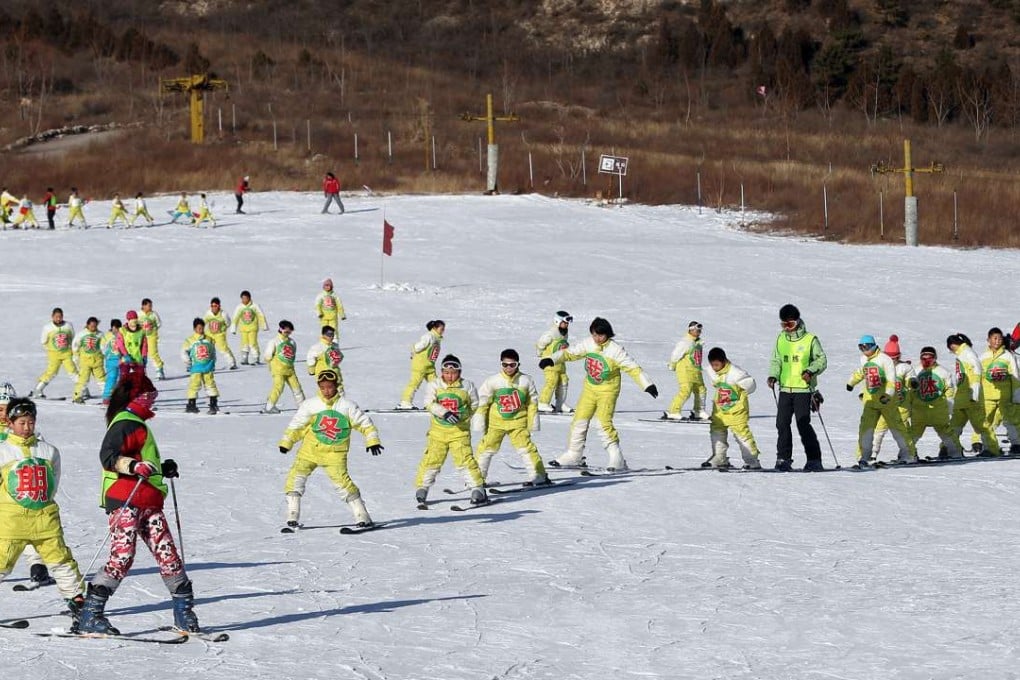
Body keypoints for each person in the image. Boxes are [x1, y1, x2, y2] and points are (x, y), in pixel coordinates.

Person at [77, 365, 199, 635]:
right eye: (148, 395)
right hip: (125, 499)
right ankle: (90, 613)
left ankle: (184, 612)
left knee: (168, 554)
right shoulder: (124, 422)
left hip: (149, 501)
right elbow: (108, 456)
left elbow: (145, 459)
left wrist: (161, 467)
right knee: (123, 556)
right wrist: (133, 467)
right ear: (137, 397)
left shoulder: (138, 422)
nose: (152, 399)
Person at [0, 397, 85, 627]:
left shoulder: (48, 451)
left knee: (63, 563)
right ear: (11, 423)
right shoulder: (3, 452)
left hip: (45, 521)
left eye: (30, 422)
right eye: (21, 423)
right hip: (11, 523)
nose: (27, 427)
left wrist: (42, 506)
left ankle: (79, 606)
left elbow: (52, 484)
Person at [540, 317, 657, 472]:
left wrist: (647, 384)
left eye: (601, 335)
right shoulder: (589, 343)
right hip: (590, 388)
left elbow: (633, 368)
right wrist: (551, 359)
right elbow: (569, 353)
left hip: (608, 391)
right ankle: (574, 454)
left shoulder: (615, 350)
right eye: (595, 335)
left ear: (607, 334)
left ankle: (617, 458)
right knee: (579, 420)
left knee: (603, 423)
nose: (597, 338)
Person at [278, 369, 382, 529]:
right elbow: (297, 425)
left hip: (335, 454)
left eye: (330, 387)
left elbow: (364, 424)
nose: (327, 391)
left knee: (343, 484)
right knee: (295, 478)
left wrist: (372, 440)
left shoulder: (347, 406)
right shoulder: (311, 405)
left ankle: (362, 515)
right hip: (310, 451)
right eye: (323, 387)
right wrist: (287, 442)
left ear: (336, 386)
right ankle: (292, 515)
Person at [414, 355, 487, 506]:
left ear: (459, 372)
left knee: (465, 460)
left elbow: (474, 405)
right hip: (438, 432)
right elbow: (428, 403)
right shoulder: (435, 385)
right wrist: (444, 412)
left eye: (453, 372)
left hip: (459, 433)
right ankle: (423, 487)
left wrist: (462, 415)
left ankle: (477, 488)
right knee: (432, 460)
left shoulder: (467, 386)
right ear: (442, 372)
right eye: (446, 372)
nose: (450, 375)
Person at [0, 384, 53, 587]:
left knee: (30, 524)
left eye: (6, 408)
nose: (3, 414)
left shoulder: (23, 431)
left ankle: (37, 565)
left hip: (18, 490)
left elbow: (40, 453)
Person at [471, 349, 548, 485]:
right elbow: (483, 402)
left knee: (526, 448)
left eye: (512, 365)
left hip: (518, 422)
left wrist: (533, 423)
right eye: (505, 365)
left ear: (518, 365)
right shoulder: (493, 381)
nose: (508, 368)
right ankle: (477, 479)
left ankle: (539, 476)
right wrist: (479, 421)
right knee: (486, 449)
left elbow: (532, 403)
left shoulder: (526, 380)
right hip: (496, 423)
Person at [767, 304, 827, 472]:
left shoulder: (810, 339)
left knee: (803, 424)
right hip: (785, 388)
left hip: (803, 389)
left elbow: (821, 360)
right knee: (781, 424)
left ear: (798, 322)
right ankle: (783, 459)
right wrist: (773, 376)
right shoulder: (781, 339)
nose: (787, 329)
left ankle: (814, 459)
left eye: (790, 325)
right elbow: (776, 360)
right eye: (784, 325)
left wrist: (810, 371)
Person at [847, 335, 917, 466]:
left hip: (887, 402)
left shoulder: (886, 360)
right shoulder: (864, 359)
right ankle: (865, 456)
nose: (864, 350)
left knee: (898, 428)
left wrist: (888, 394)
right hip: (870, 401)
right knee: (866, 429)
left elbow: (891, 380)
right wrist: (851, 382)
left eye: (866, 347)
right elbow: (861, 372)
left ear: (873, 346)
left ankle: (909, 454)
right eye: (861, 347)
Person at [700, 347, 762, 469]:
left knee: (742, 435)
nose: (715, 367)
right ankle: (719, 457)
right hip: (720, 409)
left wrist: (741, 396)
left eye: (717, 364)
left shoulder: (736, 373)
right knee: (716, 431)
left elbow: (751, 385)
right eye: (713, 365)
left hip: (736, 410)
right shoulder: (712, 371)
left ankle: (752, 461)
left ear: (724, 361)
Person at [947, 333, 1000, 457]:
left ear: (952, 345)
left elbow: (977, 370)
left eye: (950, 348)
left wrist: (974, 392)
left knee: (981, 425)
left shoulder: (967, 353)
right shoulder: (961, 354)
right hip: (961, 398)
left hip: (971, 398)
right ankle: (949, 449)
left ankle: (992, 449)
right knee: (954, 426)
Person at [868, 335, 917, 462]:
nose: (892, 361)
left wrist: (912, 382)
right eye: (890, 357)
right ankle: (872, 454)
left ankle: (910, 454)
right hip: (886, 406)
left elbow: (911, 377)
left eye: (895, 358)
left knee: (903, 432)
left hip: (902, 405)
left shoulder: (904, 367)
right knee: (879, 431)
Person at [912, 346, 962, 459]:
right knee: (913, 433)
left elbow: (949, 390)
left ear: (935, 358)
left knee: (945, 432)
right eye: (923, 358)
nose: (926, 361)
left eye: (930, 358)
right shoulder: (915, 372)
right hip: (919, 410)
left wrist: (949, 404)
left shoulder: (943, 372)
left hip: (938, 409)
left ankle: (956, 452)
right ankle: (908, 453)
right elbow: (910, 390)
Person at [978, 327, 1020, 455]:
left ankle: (1017, 444)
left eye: (1000, 339)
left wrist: (1016, 394)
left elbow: (1015, 375)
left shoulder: (1008, 356)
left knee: (1010, 420)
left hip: (1004, 395)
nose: (997, 341)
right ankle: (988, 446)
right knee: (985, 421)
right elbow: (978, 376)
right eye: (994, 338)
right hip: (988, 395)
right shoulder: (983, 357)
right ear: (988, 340)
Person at [664, 320, 708, 421]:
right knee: (685, 391)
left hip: (696, 371)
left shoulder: (698, 343)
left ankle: (699, 411)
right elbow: (675, 355)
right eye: (697, 330)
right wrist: (672, 365)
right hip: (685, 370)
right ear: (691, 330)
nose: (699, 332)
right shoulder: (685, 342)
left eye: (700, 330)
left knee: (701, 390)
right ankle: (673, 411)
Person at [31, 307, 78, 399]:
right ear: (52, 317)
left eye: (60, 316)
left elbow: (72, 338)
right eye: (56, 317)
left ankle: (82, 389)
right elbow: (43, 341)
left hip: (67, 353)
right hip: (54, 354)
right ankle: (38, 390)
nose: (58, 319)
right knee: (51, 372)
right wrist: (50, 350)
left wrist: (73, 350)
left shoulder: (68, 325)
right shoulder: (48, 327)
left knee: (72, 371)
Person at [398, 320, 444, 409]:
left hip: (430, 366)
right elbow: (418, 347)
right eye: (441, 328)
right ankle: (405, 402)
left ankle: (432, 403)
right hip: (420, 365)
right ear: (434, 328)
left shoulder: (437, 338)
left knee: (435, 384)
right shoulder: (429, 336)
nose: (443, 331)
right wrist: (413, 351)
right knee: (415, 383)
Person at [262, 320, 305, 414]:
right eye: (286, 331)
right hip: (278, 369)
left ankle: (302, 407)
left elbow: (292, 355)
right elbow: (267, 356)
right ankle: (269, 406)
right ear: (281, 329)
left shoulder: (292, 342)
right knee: (278, 387)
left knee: (297, 388)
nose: (288, 333)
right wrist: (271, 364)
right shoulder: (274, 341)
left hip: (289, 369)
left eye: (289, 332)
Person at [535, 311, 573, 413]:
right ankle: (543, 402)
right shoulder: (551, 333)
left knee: (564, 381)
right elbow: (540, 344)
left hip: (560, 363)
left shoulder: (564, 334)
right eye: (565, 322)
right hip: (549, 363)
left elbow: (562, 344)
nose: (567, 324)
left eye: (568, 323)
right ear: (557, 321)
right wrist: (541, 354)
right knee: (552, 380)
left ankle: (560, 404)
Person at [180, 318, 219, 414]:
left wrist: (213, 362)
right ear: (194, 328)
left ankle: (213, 404)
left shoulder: (209, 339)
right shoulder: (190, 340)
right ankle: (192, 404)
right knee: (194, 385)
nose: (200, 330)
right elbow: (183, 352)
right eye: (198, 328)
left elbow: (213, 352)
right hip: (196, 367)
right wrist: (188, 363)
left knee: (210, 384)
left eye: (202, 328)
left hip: (207, 367)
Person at [72, 316, 106, 404]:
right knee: (83, 380)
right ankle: (77, 396)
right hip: (85, 361)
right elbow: (75, 345)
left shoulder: (100, 334)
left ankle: (107, 397)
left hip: (97, 361)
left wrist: (105, 354)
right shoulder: (81, 334)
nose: (93, 328)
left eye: (95, 326)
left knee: (101, 380)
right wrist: (76, 357)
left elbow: (104, 346)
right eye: (91, 326)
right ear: (87, 325)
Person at [231, 290, 268, 366]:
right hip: (243, 329)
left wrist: (264, 325)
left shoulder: (254, 306)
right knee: (244, 343)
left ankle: (256, 358)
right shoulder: (239, 307)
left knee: (253, 343)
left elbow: (260, 315)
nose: (244, 300)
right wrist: (233, 328)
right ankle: (244, 358)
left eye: (246, 298)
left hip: (252, 328)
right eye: (243, 298)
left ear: (249, 298)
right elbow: (235, 317)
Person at [203, 297, 237, 370]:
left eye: (215, 306)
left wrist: (223, 329)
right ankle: (210, 365)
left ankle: (232, 363)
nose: (213, 308)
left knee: (223, 349)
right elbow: (203, 322)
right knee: (208, 349)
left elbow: (228, 323)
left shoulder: (223, 314)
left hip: (219, 334)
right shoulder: (208, 313)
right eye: (212, 306)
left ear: (219, 306)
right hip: (209, 334)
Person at [138, 298, 164, 380]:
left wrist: (154, 328)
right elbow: (134, 323)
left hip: (151, 336)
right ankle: (141, 371)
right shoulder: (138, 314)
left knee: (153, 353)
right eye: (149, 305)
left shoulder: (153, 314)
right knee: (141, 354)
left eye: (151, 305)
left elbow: (159, 323)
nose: (151, 307)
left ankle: (159, 369)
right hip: (141, 337)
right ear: (143, 306)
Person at [100, 319, 124, 404]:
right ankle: (106, 398)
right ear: (112, 327)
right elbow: (102, 346)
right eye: (115, 327)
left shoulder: (123, 334)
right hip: (111, 360)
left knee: (122, 379)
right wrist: (106, 353)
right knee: (111, 378)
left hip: (121, 360)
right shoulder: (107, 336)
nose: (116, 330)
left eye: (118, 328)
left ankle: (121, 397)